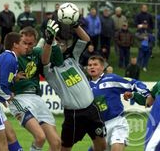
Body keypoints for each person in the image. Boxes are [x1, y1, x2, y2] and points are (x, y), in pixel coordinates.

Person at [43, 20, 107, 151]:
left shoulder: (72, 56)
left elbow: (86, 39)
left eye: (61, 43)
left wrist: (75, 25)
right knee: (65, 148)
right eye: (57, 43)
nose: (60, 45)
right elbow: (44, 60)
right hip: (73, 115)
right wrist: (49, 42)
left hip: (91, 109)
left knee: (101, 145)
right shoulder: (50, 70)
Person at [9, 26, 61, 151]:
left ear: (35, 42)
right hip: (19, 98)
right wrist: (12, 78)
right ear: (19, 42)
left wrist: (50, 41)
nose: (27, 46)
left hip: (37, 99)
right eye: (24, 43)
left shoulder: (37, 53)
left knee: (56, 143)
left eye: (30, 43)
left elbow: (48, 60)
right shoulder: (11, 55)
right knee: (40, 137)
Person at [86, 55, 151, 151]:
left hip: (117, 122)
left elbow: (133, 83)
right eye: (89, 65)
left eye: (95, 64)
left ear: (102, 67)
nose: (92, 67)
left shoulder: (111, 79)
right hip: (99, 127)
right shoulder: (86, 87)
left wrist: (147, 94)